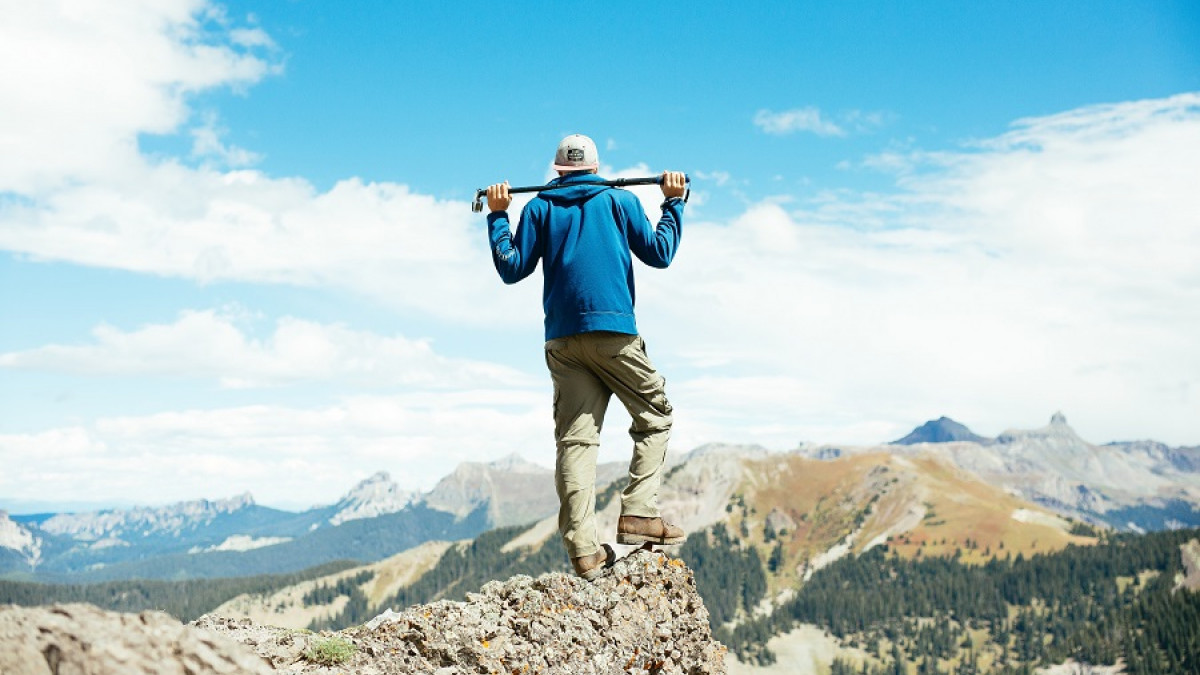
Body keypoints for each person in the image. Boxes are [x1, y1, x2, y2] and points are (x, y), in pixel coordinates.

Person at [484, 133, 688, 580]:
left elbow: (511, 266)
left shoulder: (538, 208)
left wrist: (499, 216)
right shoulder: (620, 201)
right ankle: (638, 512)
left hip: (562, 339)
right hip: (614, 331)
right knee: (656, 415)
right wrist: (673, 203)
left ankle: (583, 550)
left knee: (576, 441)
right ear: (596, 167)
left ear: (557, 170)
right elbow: (660, 253)